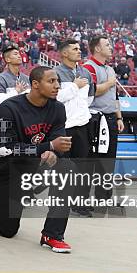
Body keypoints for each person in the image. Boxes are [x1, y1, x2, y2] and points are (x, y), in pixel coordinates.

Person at [0, 66, 75, 253]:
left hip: (34, 167)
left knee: (67, 168)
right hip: (6, 170)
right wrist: (47, 147)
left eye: (57, 81)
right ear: (35, 84)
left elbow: (60, 143)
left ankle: (52, 234)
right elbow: (6, 148)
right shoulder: (9, 108)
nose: (57, 86)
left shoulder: (58, 109)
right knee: (8, 229)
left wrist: (54, 153)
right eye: (51, 81)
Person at [54, 39, 95, 217]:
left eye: (79, 48)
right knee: (63, 167)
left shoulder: (86, 73)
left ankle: (80, 203)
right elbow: (54, 98)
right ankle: (61, 202)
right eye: (75, 49)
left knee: (84, 167)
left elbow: (90, 98)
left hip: (83, 126)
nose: (79, 51)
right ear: (64, 53)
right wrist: (74, 86)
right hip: (64, 128)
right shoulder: (54, 73)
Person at [83, 36, 124, 201]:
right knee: (92, 162)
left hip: (111, 119)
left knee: (108, 161)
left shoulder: (110, 69)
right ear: (97, 49)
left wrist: (119, 117)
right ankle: (83, 200)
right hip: (94, 119)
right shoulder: (88, 67)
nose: (111, 46)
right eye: (107, 44)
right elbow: (91, 91)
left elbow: (115, 96)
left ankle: (104, 197)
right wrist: (109, 83)